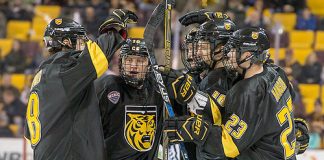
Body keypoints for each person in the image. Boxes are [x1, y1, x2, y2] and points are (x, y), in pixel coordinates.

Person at [165, 28, 298, 159]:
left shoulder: (248, 91)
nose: (228, 54)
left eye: (234, 49)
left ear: (247, 56)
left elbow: (229, 145)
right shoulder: (276, 73)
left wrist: (195, 129)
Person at [24, 9, 138, 160]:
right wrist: (113, 28)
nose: (83, 45)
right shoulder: (64, 70)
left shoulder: (42, 75)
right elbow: (98, 56)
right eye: (80, 41)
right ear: (66, 42)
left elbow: (28, 134)